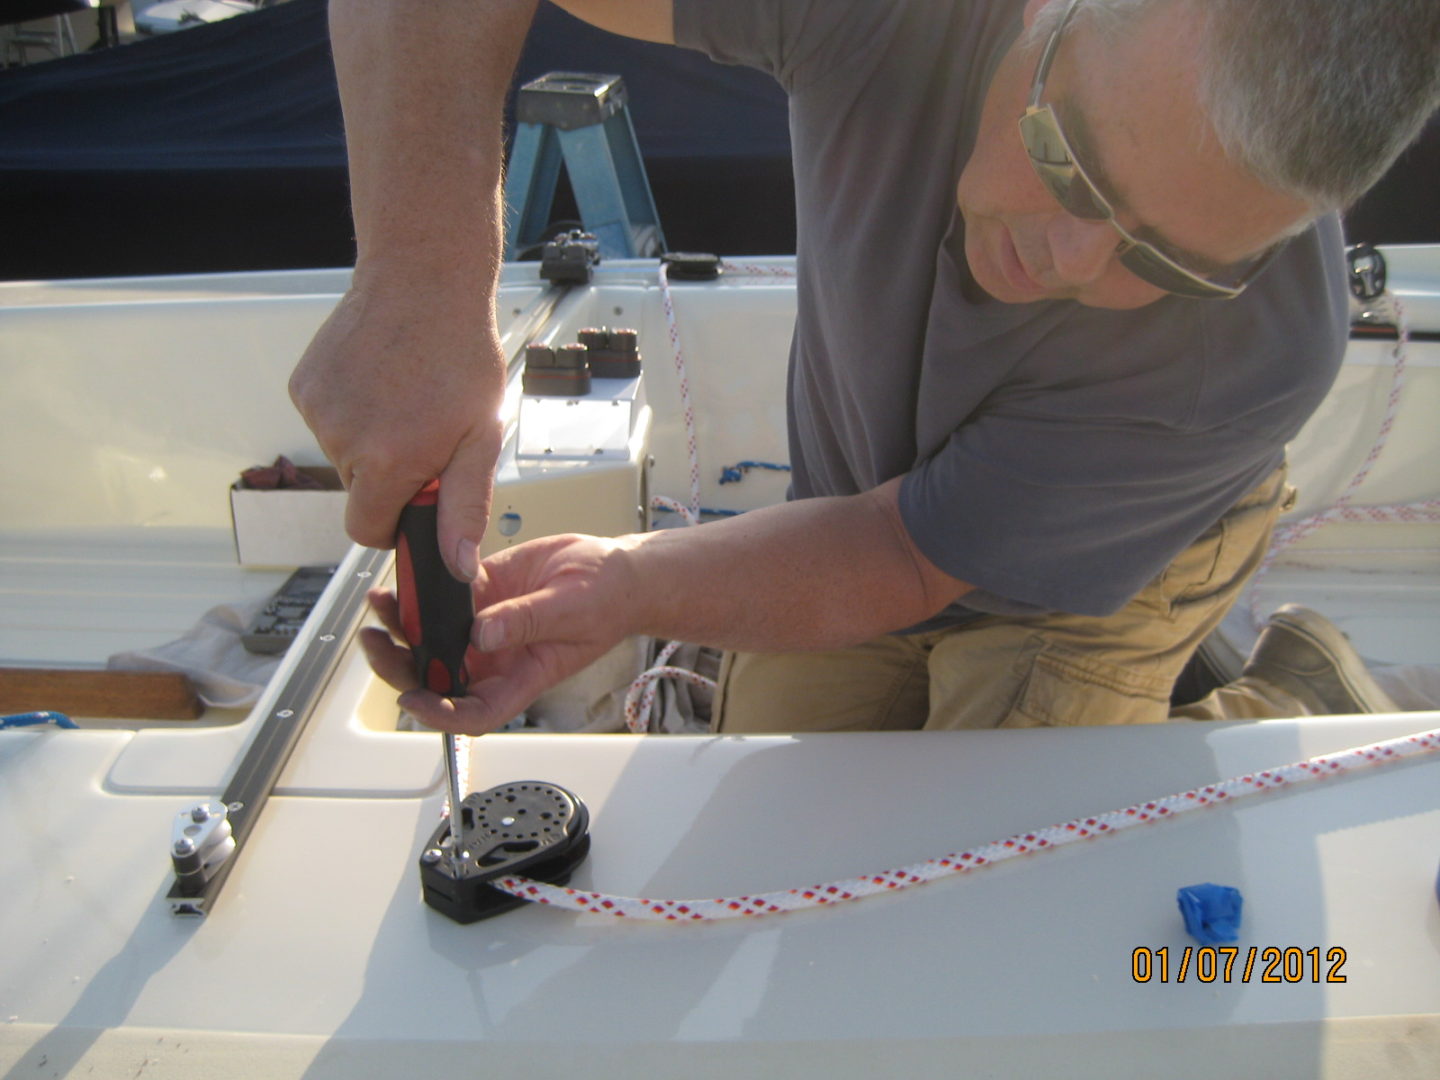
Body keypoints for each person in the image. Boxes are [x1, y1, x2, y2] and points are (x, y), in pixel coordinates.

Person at [292, 0, 1440, 736]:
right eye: (1071, 157)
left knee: (993, 893)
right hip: (858, 496)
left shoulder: (1264, 347)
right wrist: (419, 273)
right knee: (781, 799)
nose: (1070, 259)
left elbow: (905, 555)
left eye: (1172, 261)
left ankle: (1275, 700)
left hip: (1115, 561)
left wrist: (634, 584)